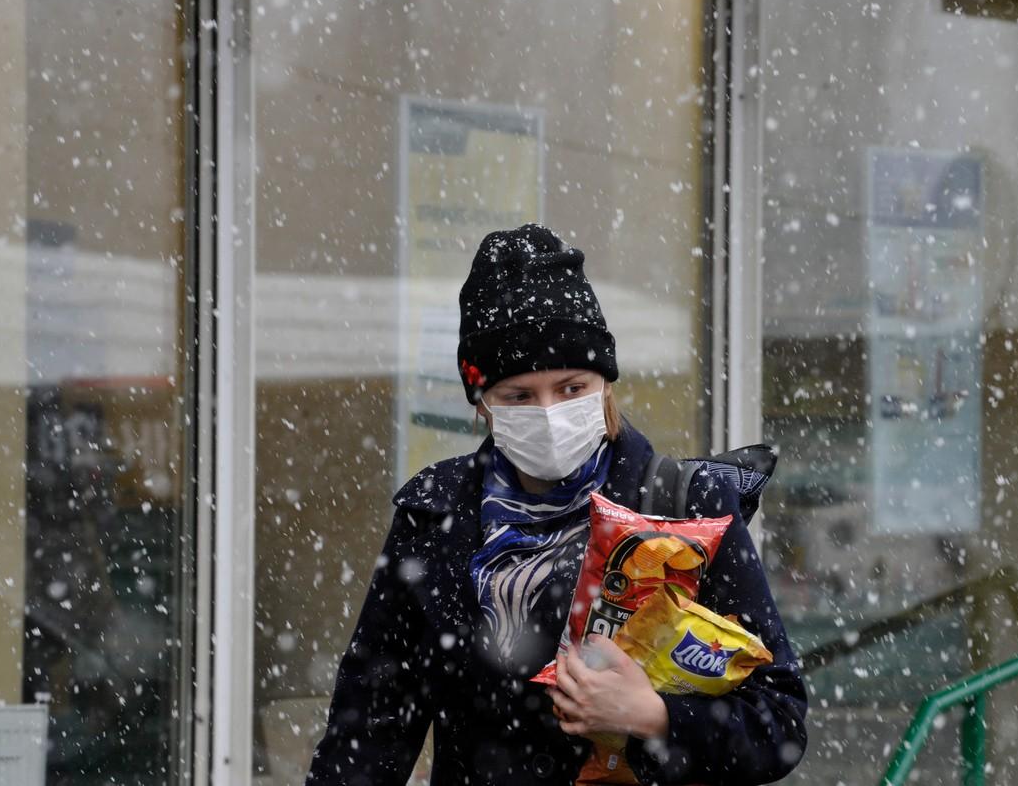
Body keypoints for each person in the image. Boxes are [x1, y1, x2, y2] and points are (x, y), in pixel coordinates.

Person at [306, 225, 807, 785]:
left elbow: (779, 725)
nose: (548, 413)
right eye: (519, 395)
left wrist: (650, 715)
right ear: (483, 404)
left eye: (571, 387)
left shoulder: (687, 507)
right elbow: (369, 732)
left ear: (605, 383)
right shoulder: (436, 515)